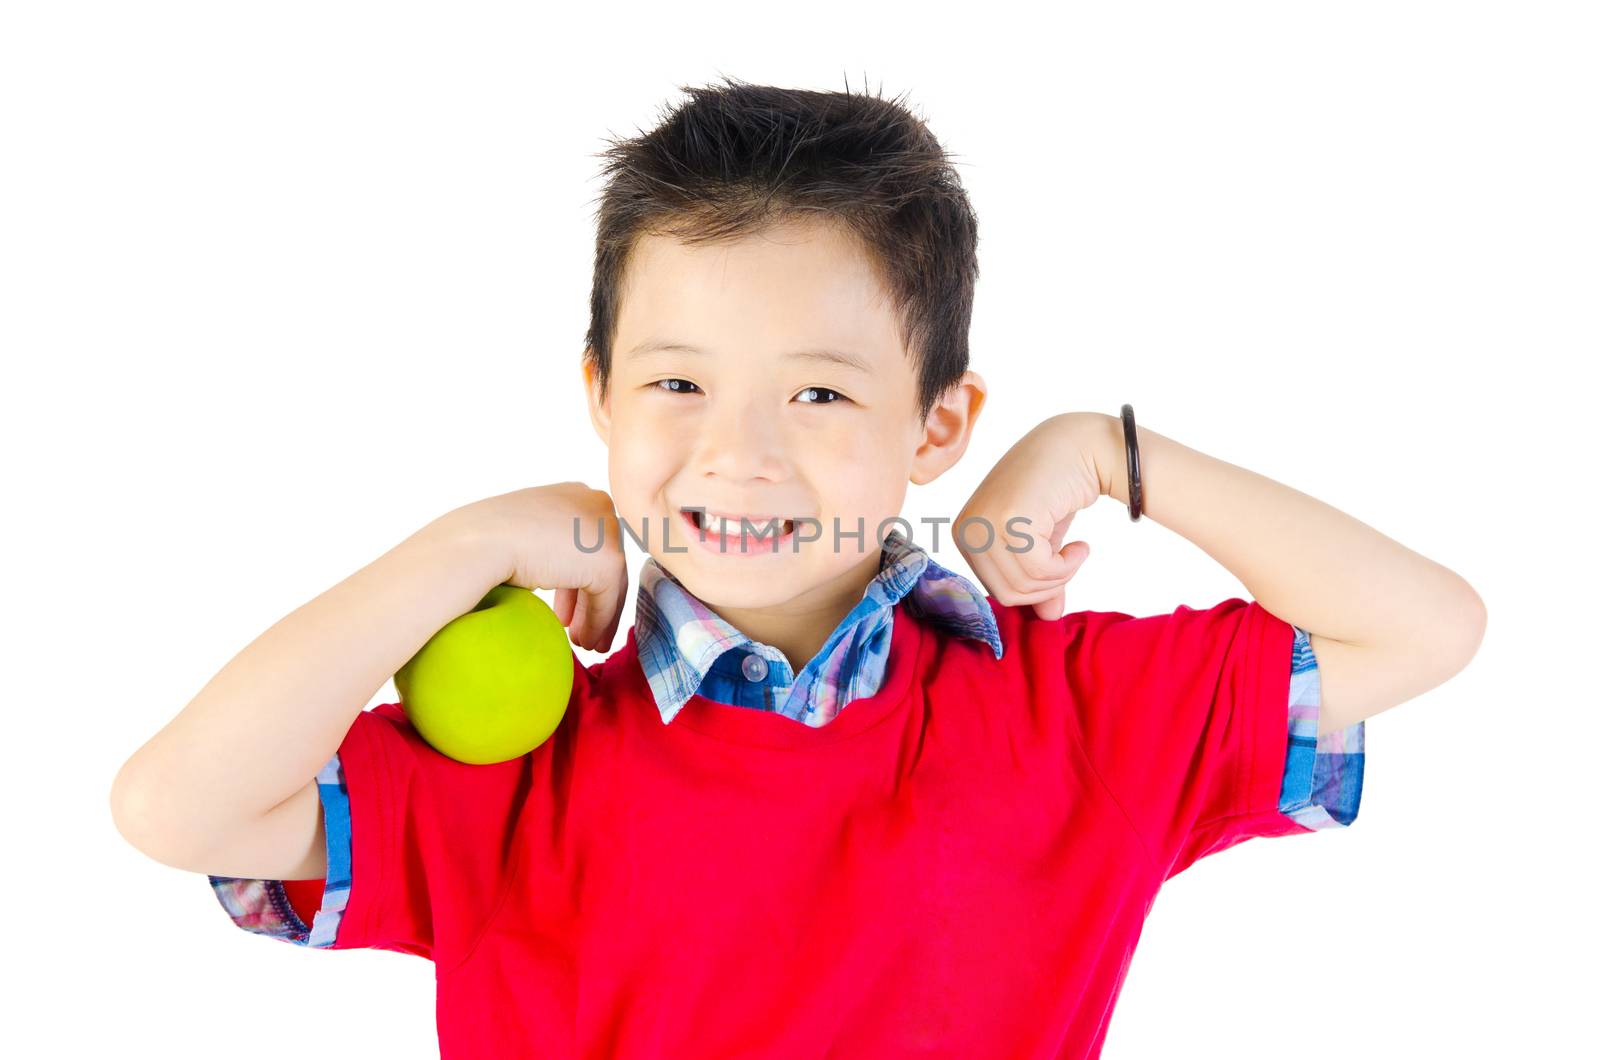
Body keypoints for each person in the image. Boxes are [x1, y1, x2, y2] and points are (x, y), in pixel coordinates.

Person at [110, 77, 1486, 1059]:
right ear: (598, 396)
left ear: (938, 424)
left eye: (819, 397)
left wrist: (1107, 452)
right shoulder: (518, 772)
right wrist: (466, 546)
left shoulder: (1068, 716)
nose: (742, 455)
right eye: (676, 384)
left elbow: (1425, 629)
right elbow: (176, 809)